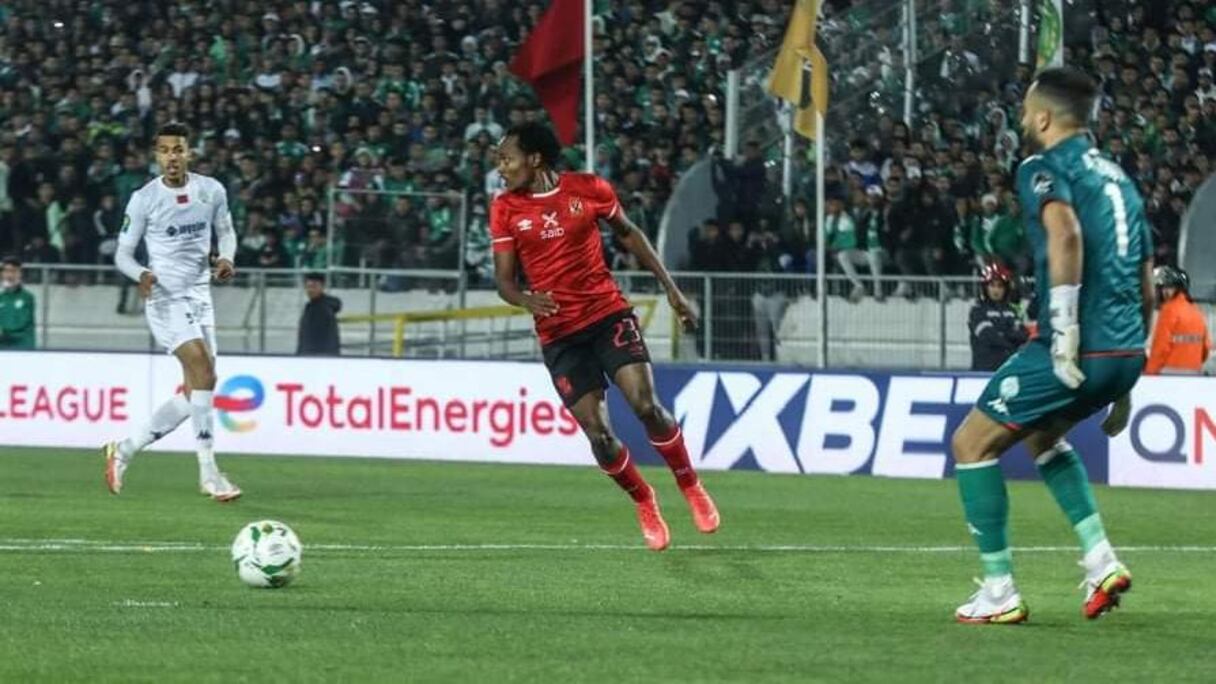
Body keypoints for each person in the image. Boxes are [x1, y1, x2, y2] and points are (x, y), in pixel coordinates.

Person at [950, 68, 1151, 624]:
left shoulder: (1042, 166)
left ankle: (999, 591)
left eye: (1024, 110)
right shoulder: (1120, 179)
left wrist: (1063, 331)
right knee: (1042, 436)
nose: (1021, 119)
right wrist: (1129, 377)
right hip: (1123, 351)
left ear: (1042, 117)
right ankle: (1101, 560)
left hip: (1079, 343)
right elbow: (1146, 278)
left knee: (971, 445)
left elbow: (1064, 235)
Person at [491, 122, 719, 551]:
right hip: (559, 334)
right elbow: (503, 281)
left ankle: (690, 484)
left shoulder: (589, 188)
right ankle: (644, 500)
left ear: (534, 158)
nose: (500, 168)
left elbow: (629, 233)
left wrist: (672, 290)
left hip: (606, 315)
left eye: (506, 158)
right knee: (599, 436)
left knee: (647, 407)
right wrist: (524, 298)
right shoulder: (504, 208)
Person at [104, 122, 241, 502]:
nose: (172, 157)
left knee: (198, 388)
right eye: (164, 150)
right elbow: (122, 255)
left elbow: (226, 232)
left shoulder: (211, 190)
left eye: (178, 149)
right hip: (165, 297)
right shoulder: (144, 199)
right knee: (203, 370)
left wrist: (226, 258)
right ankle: (209, 473)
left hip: (200, 296)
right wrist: (142, 274)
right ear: (156, 156)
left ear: (189, 152)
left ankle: (124, 449)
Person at [1145, 266, 1210, 374]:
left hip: (1169, 374)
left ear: (1179, 288)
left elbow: (1160, 348)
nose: (1165, 292)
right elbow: (1206, 349)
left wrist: (1150, 372)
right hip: (1195, 374)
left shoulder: (1168, 310)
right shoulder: (1197, 311)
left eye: (1169, 287)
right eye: (1163, 287)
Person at [968, 262, 1028, 371]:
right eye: (992, 285)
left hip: (1008, 370)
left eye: (1000, 286)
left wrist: (1002, 334)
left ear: (1005, 289)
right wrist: (1010, 339)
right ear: (985, 287)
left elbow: (1023, 335)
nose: (996, 290)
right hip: (984, 370)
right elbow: (989, 336)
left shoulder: (1011, 311)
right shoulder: (977, 310)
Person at [298, 273, 343, 356]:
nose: (310, 290)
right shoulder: (311, 306)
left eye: (314, 287)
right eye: (308, 287)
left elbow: (313, 337)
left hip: (319, 357)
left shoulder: (322, 308)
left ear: (322, 287)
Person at [0, 256, 35, 350]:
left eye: (13, 271)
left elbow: (18, 324)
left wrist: (2, 329)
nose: (9, 275)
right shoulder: (1, 297)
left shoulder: (27, 297)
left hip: (22, 348)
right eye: (6, 271)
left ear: (20, 274)